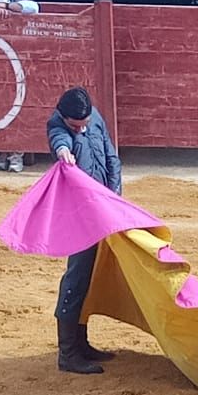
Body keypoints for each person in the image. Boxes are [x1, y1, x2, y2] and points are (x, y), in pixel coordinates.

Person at [47, 86, 122, 375]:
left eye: (85, 123)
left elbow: (112, 158)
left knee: (91, 276)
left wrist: (114, 198)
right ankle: (67, 353)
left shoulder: (93, 117)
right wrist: (63, 148)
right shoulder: (58, 126)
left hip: (103, 208)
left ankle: (81, 343)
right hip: (79, 215)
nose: (83, 128)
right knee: (77, 276)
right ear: (64, 118)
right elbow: (58, 138)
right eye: (76, 126)